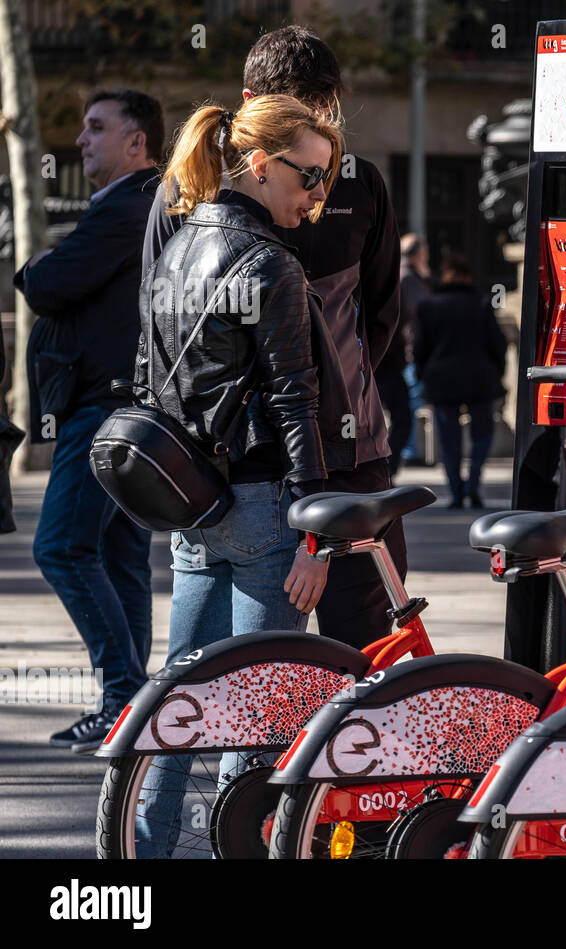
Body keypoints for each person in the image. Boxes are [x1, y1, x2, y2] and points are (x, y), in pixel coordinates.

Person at [142, 26, 403, 651]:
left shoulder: (357, 182)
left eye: (321, 113)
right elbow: (161, 329)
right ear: (248, 105)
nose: (311, 132)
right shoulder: (183, 191)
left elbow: (380, 315)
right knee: (256, 676)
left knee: (355, 649)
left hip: (341, 456)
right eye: (291, 113)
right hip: (244, 468)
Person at [134, 94, 345, 857]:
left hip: (194, 504)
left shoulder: (178, 246)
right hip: (262, 508)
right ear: (259, 165)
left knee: (176, 710)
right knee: (256, 720)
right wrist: (316, 532)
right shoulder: (269, 263)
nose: (317, 197)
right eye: (309, 177)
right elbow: (297, 400)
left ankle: (139, 859)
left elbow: (147, 377)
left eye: (327, 179)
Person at [16, 90, 163, 752]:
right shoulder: (145, 205)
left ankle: (121, 696)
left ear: (137, 144)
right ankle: (129, 707)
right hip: (130, 406)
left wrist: (33, 267)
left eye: (96, 128)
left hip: (105, 408)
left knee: (61, 546)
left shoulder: (128, 207)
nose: (80, 138)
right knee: (121, 554)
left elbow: (47, 283)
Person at [414, 253, 506, 508]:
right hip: (479, 378)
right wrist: (497, 373)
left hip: (442, 379)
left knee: (449, 440)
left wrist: (424, 375)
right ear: (467, 275)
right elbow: (497, 343)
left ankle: (456, 491)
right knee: (482, 435)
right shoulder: (481, 303)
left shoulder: (430, 305)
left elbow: (420, 348)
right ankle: (473, 483)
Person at [376, 233, 432, 474]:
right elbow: (417, 317)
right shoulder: (407, 279)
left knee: (400, 413)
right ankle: (394, 463)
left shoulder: (398, 277)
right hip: (396, 358)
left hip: (390, 358)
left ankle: (390, 465)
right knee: (404, 412)